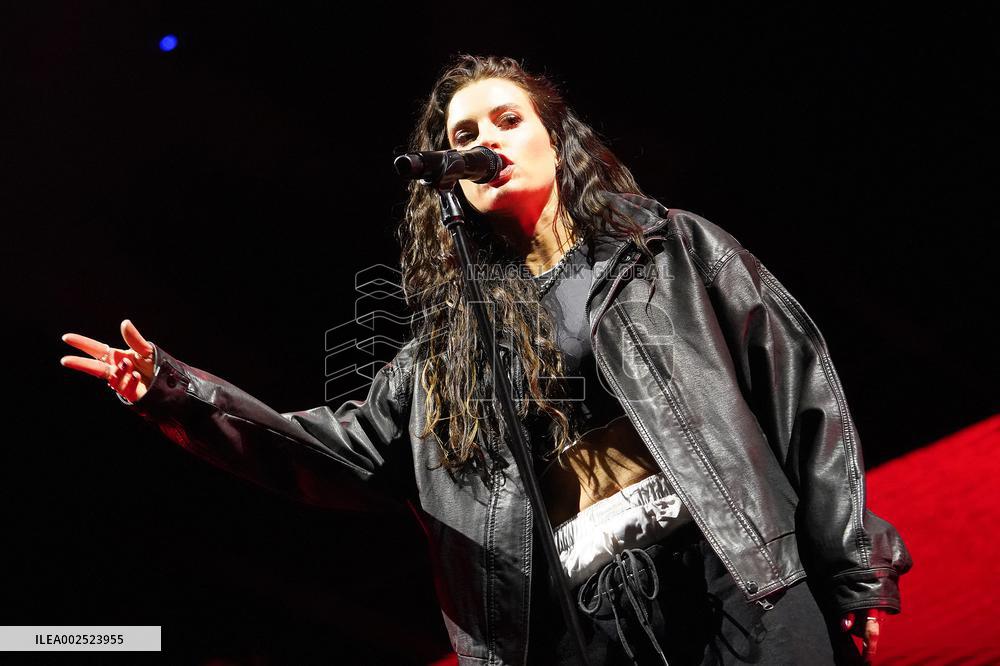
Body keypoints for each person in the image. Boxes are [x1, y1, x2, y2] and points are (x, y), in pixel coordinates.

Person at [60, 54, 912, 665]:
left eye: (508, 119)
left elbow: (800, 389)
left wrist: (852, 568)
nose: (485, 138)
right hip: (584, 627)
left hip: (739, 580)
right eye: (463, 132)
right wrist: (177, 392)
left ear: (555, 139)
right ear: (450, 178)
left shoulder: (670, 251)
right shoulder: (444, 353)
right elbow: (332, 455)